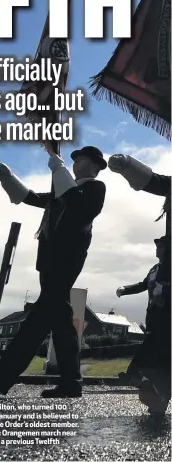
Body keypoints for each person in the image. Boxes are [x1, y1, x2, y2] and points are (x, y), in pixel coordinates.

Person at [0, 145, 107, 398]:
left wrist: (58, 167)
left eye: (82, 160)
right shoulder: (64, 188)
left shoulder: (93, 189)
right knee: (59, 321)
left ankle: (3, 375)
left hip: (66, 258)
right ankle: (70, 383)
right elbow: (34, 198)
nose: (76, 164)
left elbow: (76, 203)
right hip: (49, 259)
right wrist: (8, 179)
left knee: (39, 318)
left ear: (95, 167)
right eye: (74, 160)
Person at [108, 154, 170, 414]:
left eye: (162, 248)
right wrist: (129, 166)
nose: (159, 251)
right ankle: (157, 391)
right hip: (159, 309)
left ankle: (140, 374)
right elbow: (155, 182)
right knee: (162, 345)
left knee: (159, 343)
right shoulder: (157, 267)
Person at [116, 236, 167, 382]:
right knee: (153, 346)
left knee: (150, 344)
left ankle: (134, 373)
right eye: (157, 247)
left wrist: (164, 289)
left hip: (166, 315)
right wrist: (125, 289)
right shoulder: (154, 269)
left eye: (161, 247)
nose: (157, 250)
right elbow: (143, 285)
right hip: (153, 314)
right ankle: (141, 376)